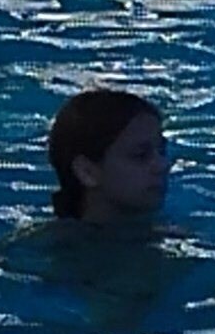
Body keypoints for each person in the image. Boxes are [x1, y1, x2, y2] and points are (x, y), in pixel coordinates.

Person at [47, 88, 170, 229]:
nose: (163, 165)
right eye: (140, 155)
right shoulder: (52, 242)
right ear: (87, 172)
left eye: (161, 151)